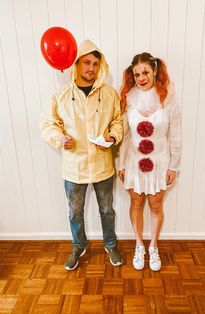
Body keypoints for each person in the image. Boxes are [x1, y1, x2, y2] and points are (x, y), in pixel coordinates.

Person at [40, 39, 123, 270]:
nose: (91, 68)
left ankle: (111, 243)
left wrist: (112, 137)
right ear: (76, 64)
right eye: (87, 62)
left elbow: (118, 121)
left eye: (96, 64)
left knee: (107, 209)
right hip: (73, 167)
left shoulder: (109, 93)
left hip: (102, 164)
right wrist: (60, 139)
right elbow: (48, 124)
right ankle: (78, 245)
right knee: (74, 211)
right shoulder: (61, 95)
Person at [118, 52, 181, 271]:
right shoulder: (129, 97)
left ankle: (153, 246)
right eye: (137, 74)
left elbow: (175, 134)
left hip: (160, 162)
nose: (141, 78)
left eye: (145, 72)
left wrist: (174, 166)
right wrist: (121, 164)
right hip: (134, 162)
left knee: (155, 205)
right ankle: (139, 245)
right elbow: (126, 134)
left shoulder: (169, 97)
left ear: (154, 70)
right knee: (136, 203)